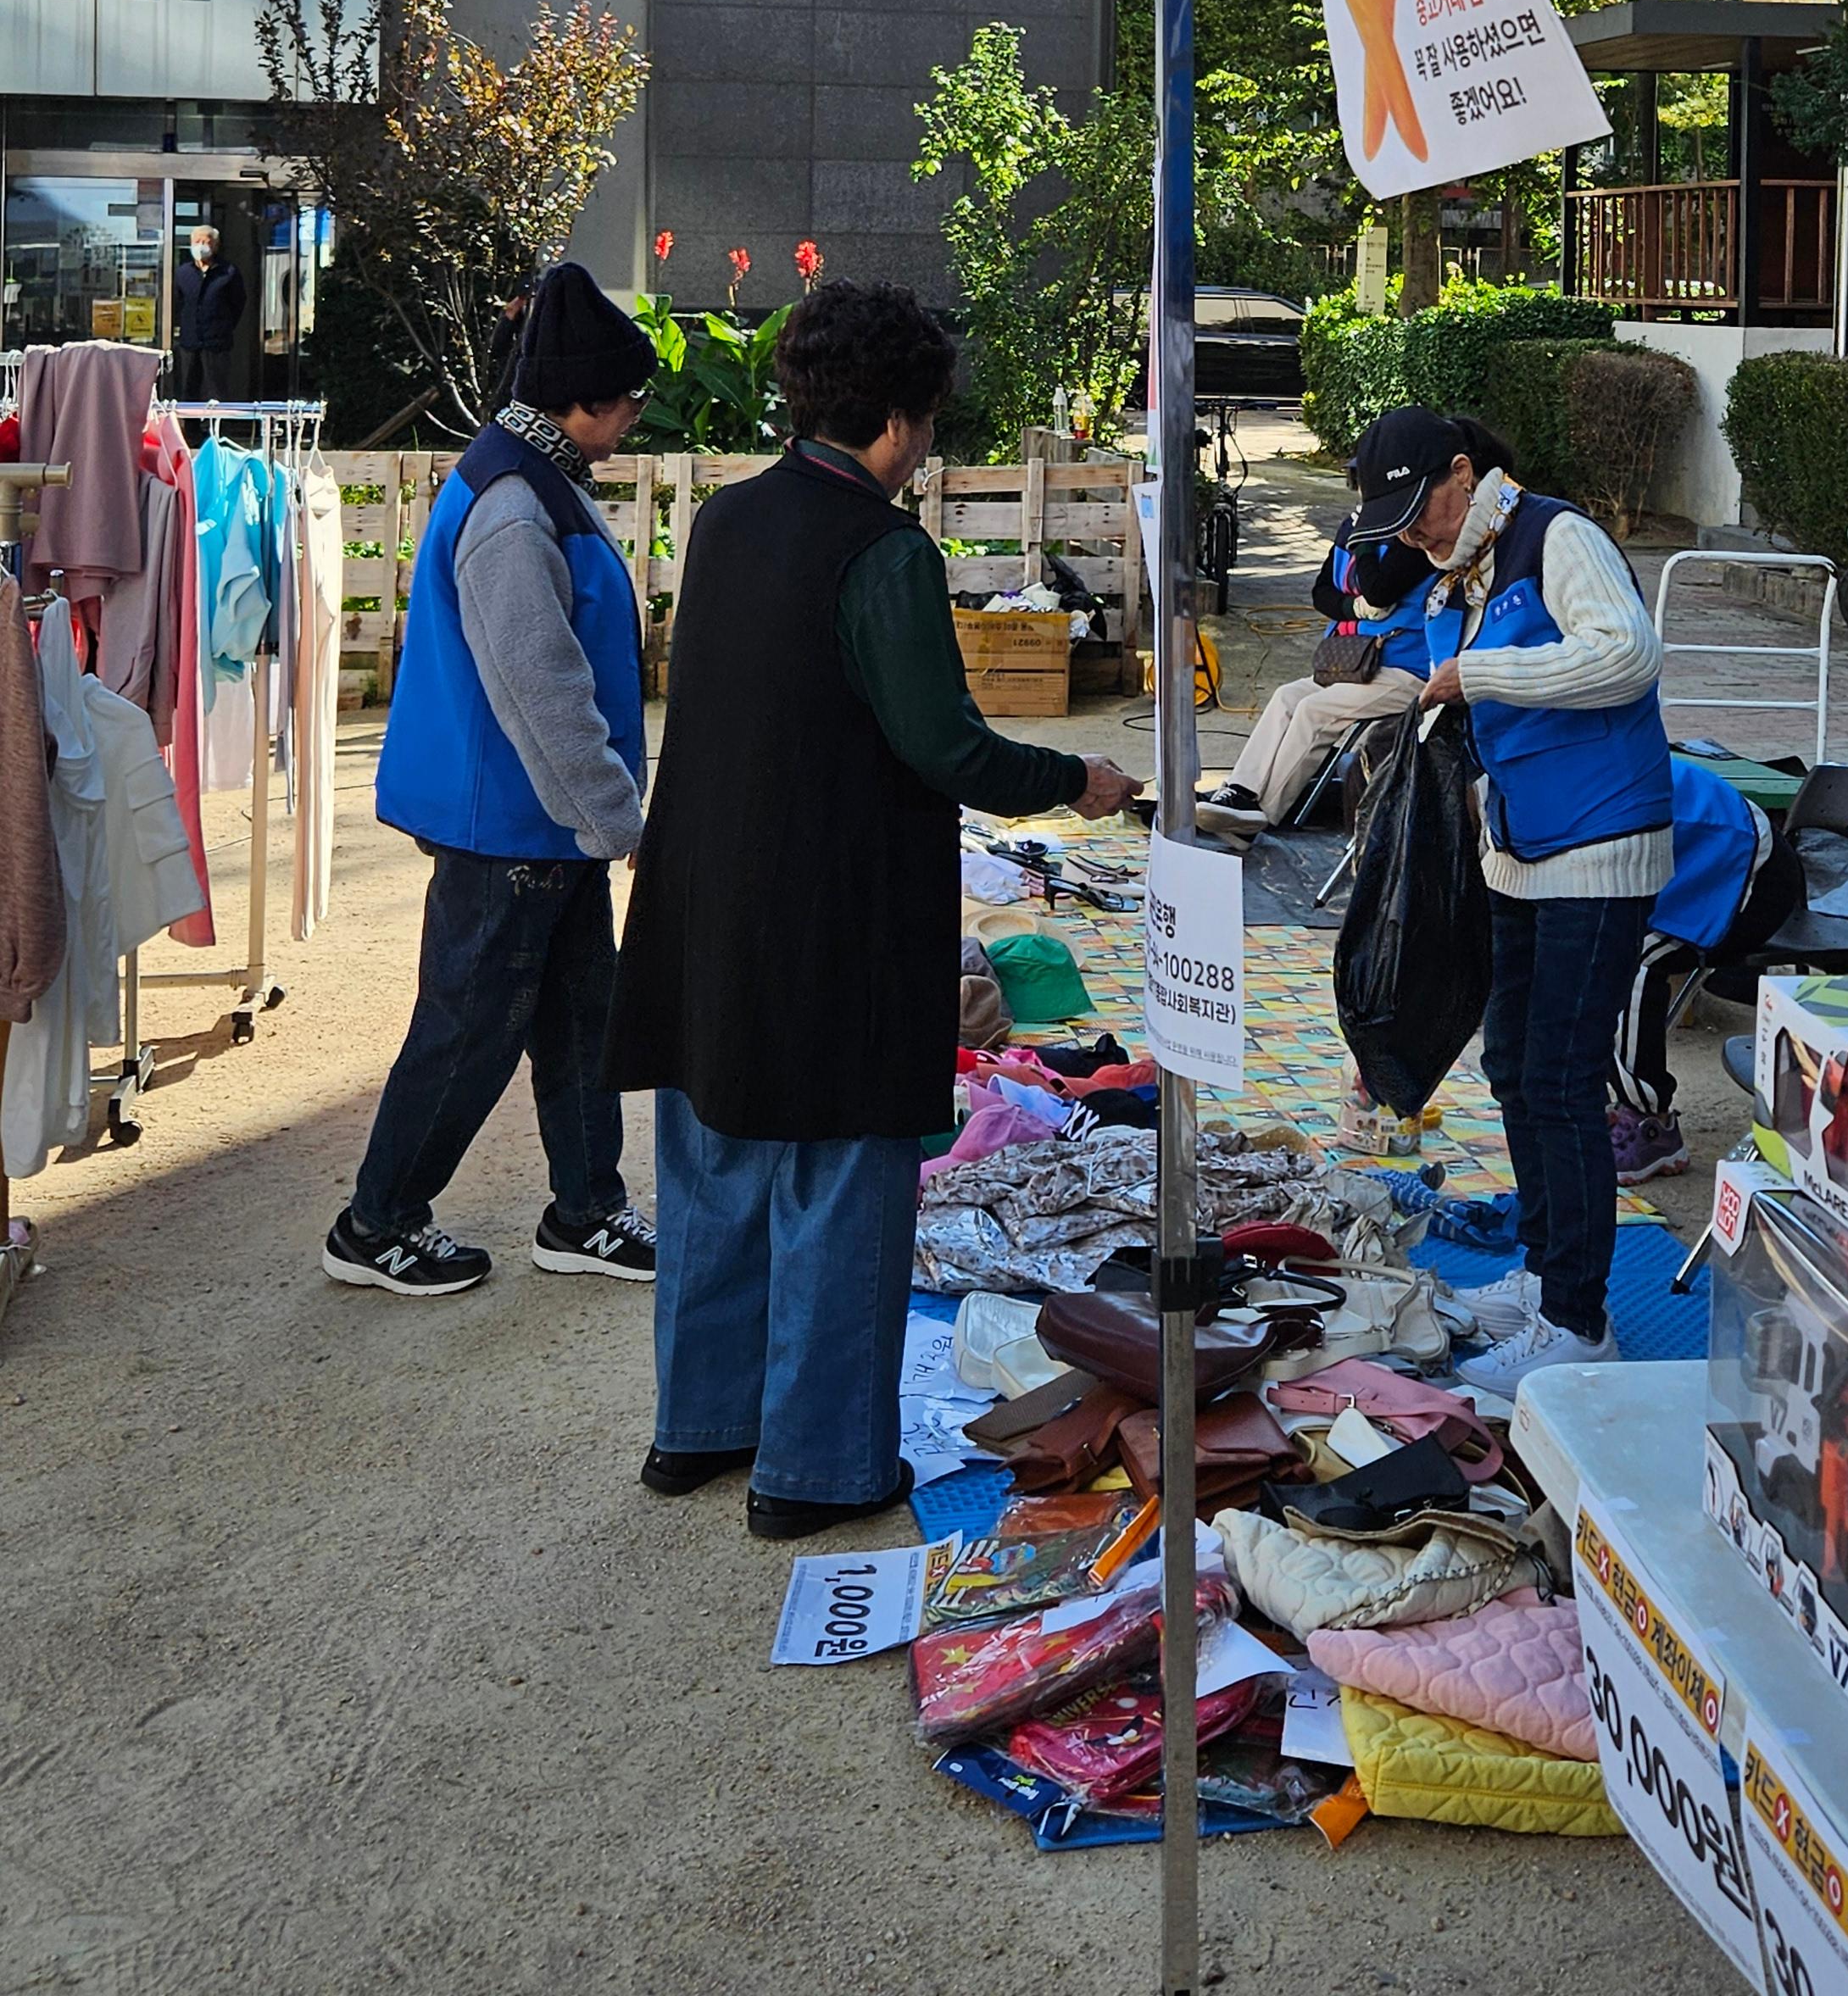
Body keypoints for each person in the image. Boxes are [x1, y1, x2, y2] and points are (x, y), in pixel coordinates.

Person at [604, 281, 1138, 1541]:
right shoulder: (886, 551)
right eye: (930, 419)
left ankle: (701, 1426)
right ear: (900, 420)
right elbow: (947, 747)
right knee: (843, 1183)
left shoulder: (727, 519)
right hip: (834, 910)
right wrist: (1078, 777)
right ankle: (818, 1466)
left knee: (716, 1157)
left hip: (708, 897)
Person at [323, 261, 659, 1296]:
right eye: (629, 400)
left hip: (540, 823)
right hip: (509, 825)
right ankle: (375, 1222)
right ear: (583, 399)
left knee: (580, 1020)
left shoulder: (531, 472)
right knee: (468, 1030)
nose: (635, 417)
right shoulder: (516, 502)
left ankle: (586, 1209)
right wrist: (618, 820)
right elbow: (540, 685)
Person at [1348, 403, 1674, 1392]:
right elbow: (1374, 604)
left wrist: (1480, 672)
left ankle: (1579, 1320)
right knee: (1514, 1070)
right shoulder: (1460, 567)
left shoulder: (1557, 535)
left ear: (1465, 471)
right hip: (1521, 847)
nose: (1417, 532)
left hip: (1601, 846)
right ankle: (1541, 1269)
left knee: (1564, 1081)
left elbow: (1628, 654)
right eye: (1399, 522)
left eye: (1424, 507)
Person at [1194, 502, 1432, 839]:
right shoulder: (1352, 525)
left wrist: (1364, 539)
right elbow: (1321, 593)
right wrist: (1352, 607)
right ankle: (1240, 791)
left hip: (1409, 669)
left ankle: (1260, 817)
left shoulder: (1411, 528)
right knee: (1286, 697)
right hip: (1354, 663)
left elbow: (1378, 590)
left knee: (1313, 711)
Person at [1607, 748, 1777, 1183]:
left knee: (1635, 963)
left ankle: (1650, 1119)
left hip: (1743, 867)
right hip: (1687, 853)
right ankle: (1603, 1092)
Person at [174, 225, 246, 400]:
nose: (200, 246)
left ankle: (216, 419)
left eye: (205, 242)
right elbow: (177, 303)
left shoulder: (228, 272)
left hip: (216, 344)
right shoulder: (183, 273)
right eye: (196, 242)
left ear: (215, 245)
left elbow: (238, 303)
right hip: (189, 342)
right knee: (188, 392)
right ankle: (190, 420)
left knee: (216, 392)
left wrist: (224, 327)